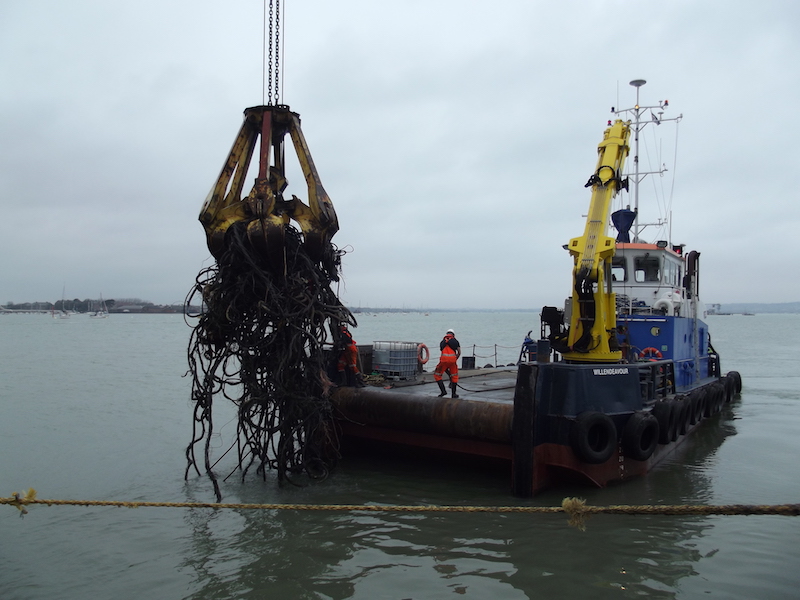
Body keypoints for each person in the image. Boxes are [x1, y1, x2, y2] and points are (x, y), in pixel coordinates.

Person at [434, 328, 460, 398]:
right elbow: (459, 352)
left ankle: (443, 391)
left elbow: (442, 351)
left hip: (444, 361)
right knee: (454, 376)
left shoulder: (442, 342)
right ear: (453, 335)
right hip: (452, 361)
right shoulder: (455, 341)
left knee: (437, 375)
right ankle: (453, 394)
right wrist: (455, 359)